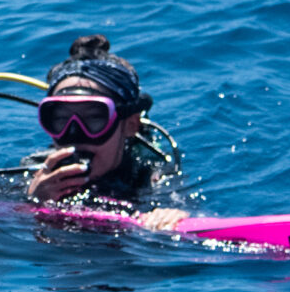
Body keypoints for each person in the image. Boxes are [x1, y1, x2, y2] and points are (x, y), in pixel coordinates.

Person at [25, 34, 189, 231]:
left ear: (130, 125)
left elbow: (178, 209)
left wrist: (168, 216)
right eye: (61, 119)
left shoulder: (150, 175)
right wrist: (33, 201)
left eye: (94, 118)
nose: (75, 134)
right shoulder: (36, 173)